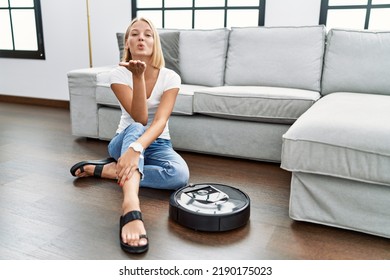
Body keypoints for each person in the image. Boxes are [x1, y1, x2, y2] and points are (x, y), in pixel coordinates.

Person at [70, 17, 190, 254]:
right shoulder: (118, 75)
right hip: (123, 142)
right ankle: (131, 206)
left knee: (179, 176)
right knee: (136, 127)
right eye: (134, 34)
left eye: (147, 34)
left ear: (155, 42)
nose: (141, 38)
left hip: (158, 143)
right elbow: (140, 119)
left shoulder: (170, 77)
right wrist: (137, 76)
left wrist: (138, 150)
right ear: (127, 43)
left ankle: (108, 170)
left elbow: (159, 122)